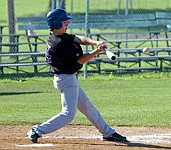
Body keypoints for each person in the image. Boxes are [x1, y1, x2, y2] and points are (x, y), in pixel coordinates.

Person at [27, 8, 127, 143]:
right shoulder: (60, 43)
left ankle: (108, 133)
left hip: (67, 78)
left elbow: (78, 39)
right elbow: (79, 60)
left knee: (87, 107)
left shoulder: (59, 37)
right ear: (56, 23)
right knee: (68, 114)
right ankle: (37, 130)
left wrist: (95, 42)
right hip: (66, 79)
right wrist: (97, 51)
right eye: (64, 21)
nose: (67, 23)